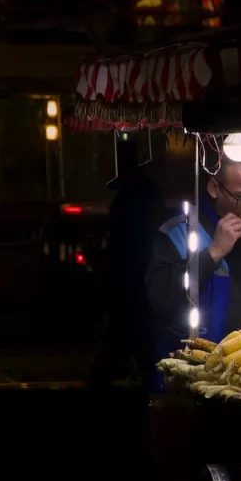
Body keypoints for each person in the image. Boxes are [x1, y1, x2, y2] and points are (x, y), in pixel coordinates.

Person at [145, 149, 241, 361]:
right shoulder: (179, 232)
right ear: (214, 188)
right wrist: (212, 253)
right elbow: (160, 301)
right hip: (203, 368)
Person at [91, 137, 164, 387]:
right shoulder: (143, 194)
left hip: (131, 285)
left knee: (126, 350)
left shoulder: (132, 198)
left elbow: (124, 246)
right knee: (139, 352)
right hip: (135, 285)